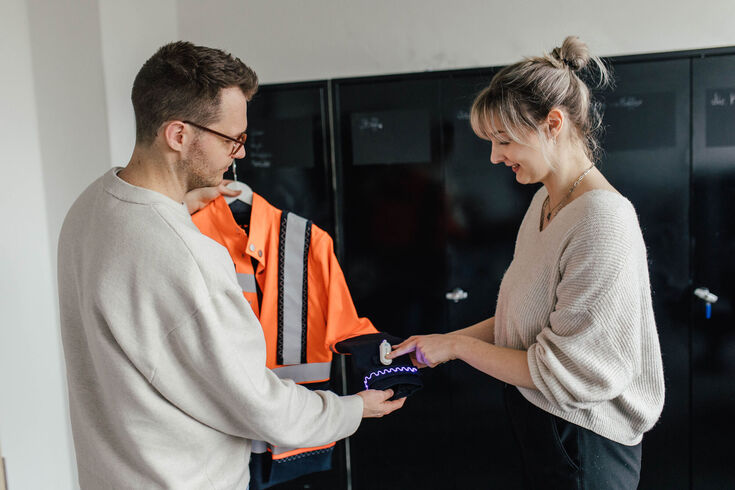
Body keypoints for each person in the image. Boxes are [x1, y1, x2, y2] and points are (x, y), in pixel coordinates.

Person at [57, 41, 404, 489]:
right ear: (178, 135)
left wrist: (178, 208)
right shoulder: (186, 256)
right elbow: (257, 403)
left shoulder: (90, 207)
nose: (240, 153)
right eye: (231, 139)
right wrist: (353, 409)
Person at [388, 36, 665, 489]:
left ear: (553, 123)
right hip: (545, 424)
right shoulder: (545, 202)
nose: (495, 156)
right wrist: (443, 341)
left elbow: (572, 371)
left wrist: (457, 349)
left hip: (586, 439)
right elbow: (521, 320)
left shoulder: (602, 218)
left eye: (504, 140)